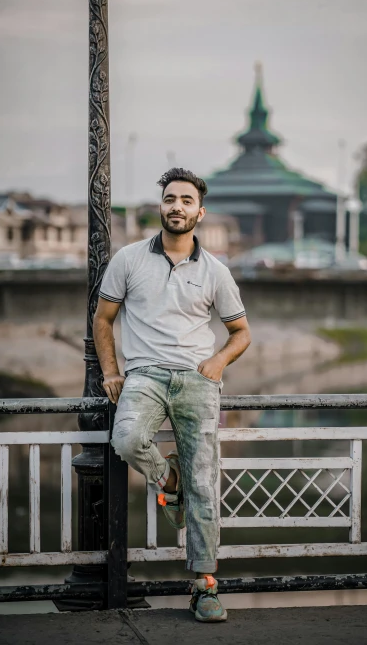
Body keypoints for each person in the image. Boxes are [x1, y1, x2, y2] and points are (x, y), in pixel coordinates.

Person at [93, 167, 251, 623]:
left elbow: (240, 332)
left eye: (186, 200)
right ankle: (169, 482)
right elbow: (103, 320)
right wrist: (110, 371)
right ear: (160, 207)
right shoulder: (128, 259)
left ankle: (204, 587)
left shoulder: (216, 271)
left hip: (197, 382)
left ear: (199, 213)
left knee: (204, 483)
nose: (176, 206)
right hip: (143, 375)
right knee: (125, 439)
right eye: (170, 199)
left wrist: (217, 363)